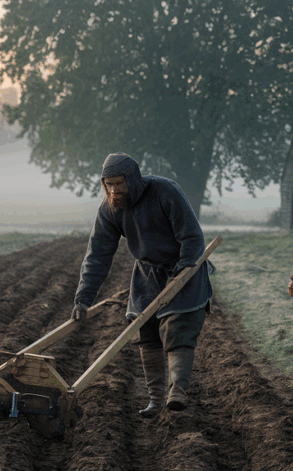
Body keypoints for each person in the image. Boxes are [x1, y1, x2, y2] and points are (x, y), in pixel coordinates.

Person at [72, 152, 212, 417]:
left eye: (118, 183)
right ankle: (156, 400)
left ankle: (177, 392)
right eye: (108, 184)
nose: (113, 190)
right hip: (147, 274)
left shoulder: (164, 191)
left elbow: (192, 236)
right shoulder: (109, 210)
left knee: (178, 326)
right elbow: (98, 255)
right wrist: (83, 299)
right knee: (146, 333)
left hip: (183, 267)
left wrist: (183, 271)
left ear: (132, 180)